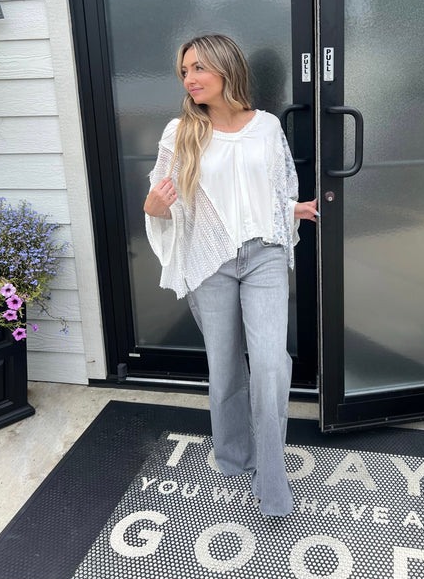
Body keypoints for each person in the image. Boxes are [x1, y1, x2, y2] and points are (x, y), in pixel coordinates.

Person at [144, 34, 317, 516]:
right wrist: (153, 207)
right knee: (224, 368)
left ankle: (271, 476)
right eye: (184, 72)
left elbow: (274, 186)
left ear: (226, 68)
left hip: (262, 254)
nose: (190, 79)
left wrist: (290, 210)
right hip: (211, 261)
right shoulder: (180, 131)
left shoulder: (265, 127)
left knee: (268, 365)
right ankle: (234, 459)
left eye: (198, 68)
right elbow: (162, 201)